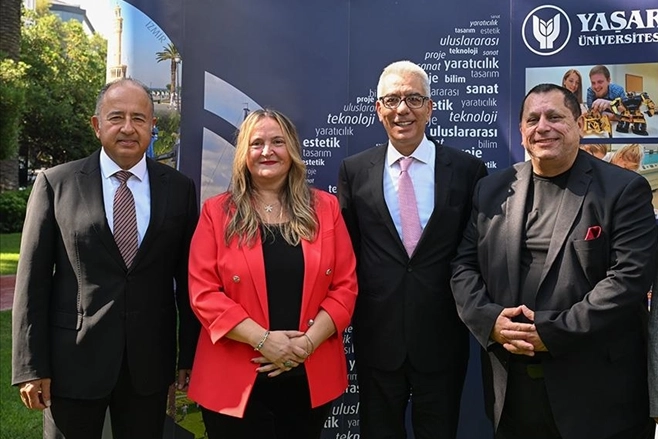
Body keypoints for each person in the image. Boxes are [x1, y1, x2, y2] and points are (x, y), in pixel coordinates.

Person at [451, 83, 657, 439]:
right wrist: (490, 321)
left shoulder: (624, 189)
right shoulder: (492, 190)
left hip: (599, 399)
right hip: (513, 396)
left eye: (555, 117)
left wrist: (552, 332)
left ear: (580, 124)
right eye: (533, 119)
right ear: (521, 131)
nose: (542, 127)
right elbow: (464, 266)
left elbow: (628, 280)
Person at [11, 78, 200, 438]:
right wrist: (30, 366)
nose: (128, 128)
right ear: (97, 125)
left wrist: (189, 355)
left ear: (152, 126)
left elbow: (189, 281)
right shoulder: (56, 184)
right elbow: (32, 282)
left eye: (139, 118)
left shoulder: (178, 189)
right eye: (116, 117)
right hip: (72, 362)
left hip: (149, 365)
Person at [338, 60, 488, 439]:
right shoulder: (354, 171)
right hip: (377, 336)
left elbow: (474, 253)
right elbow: (349, 252)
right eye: (391, 100)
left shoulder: (468, 170)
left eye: (413, 99)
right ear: (378, 109)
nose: (402, 109)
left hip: (442, 336)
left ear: (430, 107)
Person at [187, 109, 357, 439]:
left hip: (308, 374)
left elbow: (345, 287)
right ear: (243, 153)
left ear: (291, 149)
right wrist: (264, 341)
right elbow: (203, 293)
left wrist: (305, 344)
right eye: (257, 143)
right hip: (233, 381)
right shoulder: (216, 212)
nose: (267, 151)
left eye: (277, 142)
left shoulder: (326, 209)